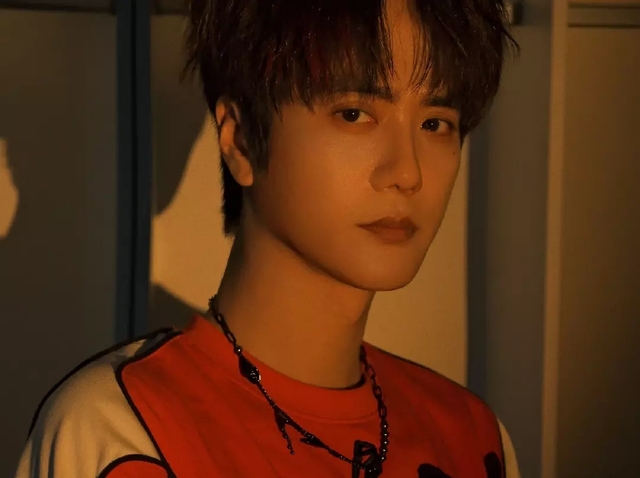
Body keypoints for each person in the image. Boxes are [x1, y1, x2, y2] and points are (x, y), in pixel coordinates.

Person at [14, 0, 520, 476]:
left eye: (435, 123)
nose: (407, 173)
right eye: (354, 114)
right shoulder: (124, 433)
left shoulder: (473, 437)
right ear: (239, 140)